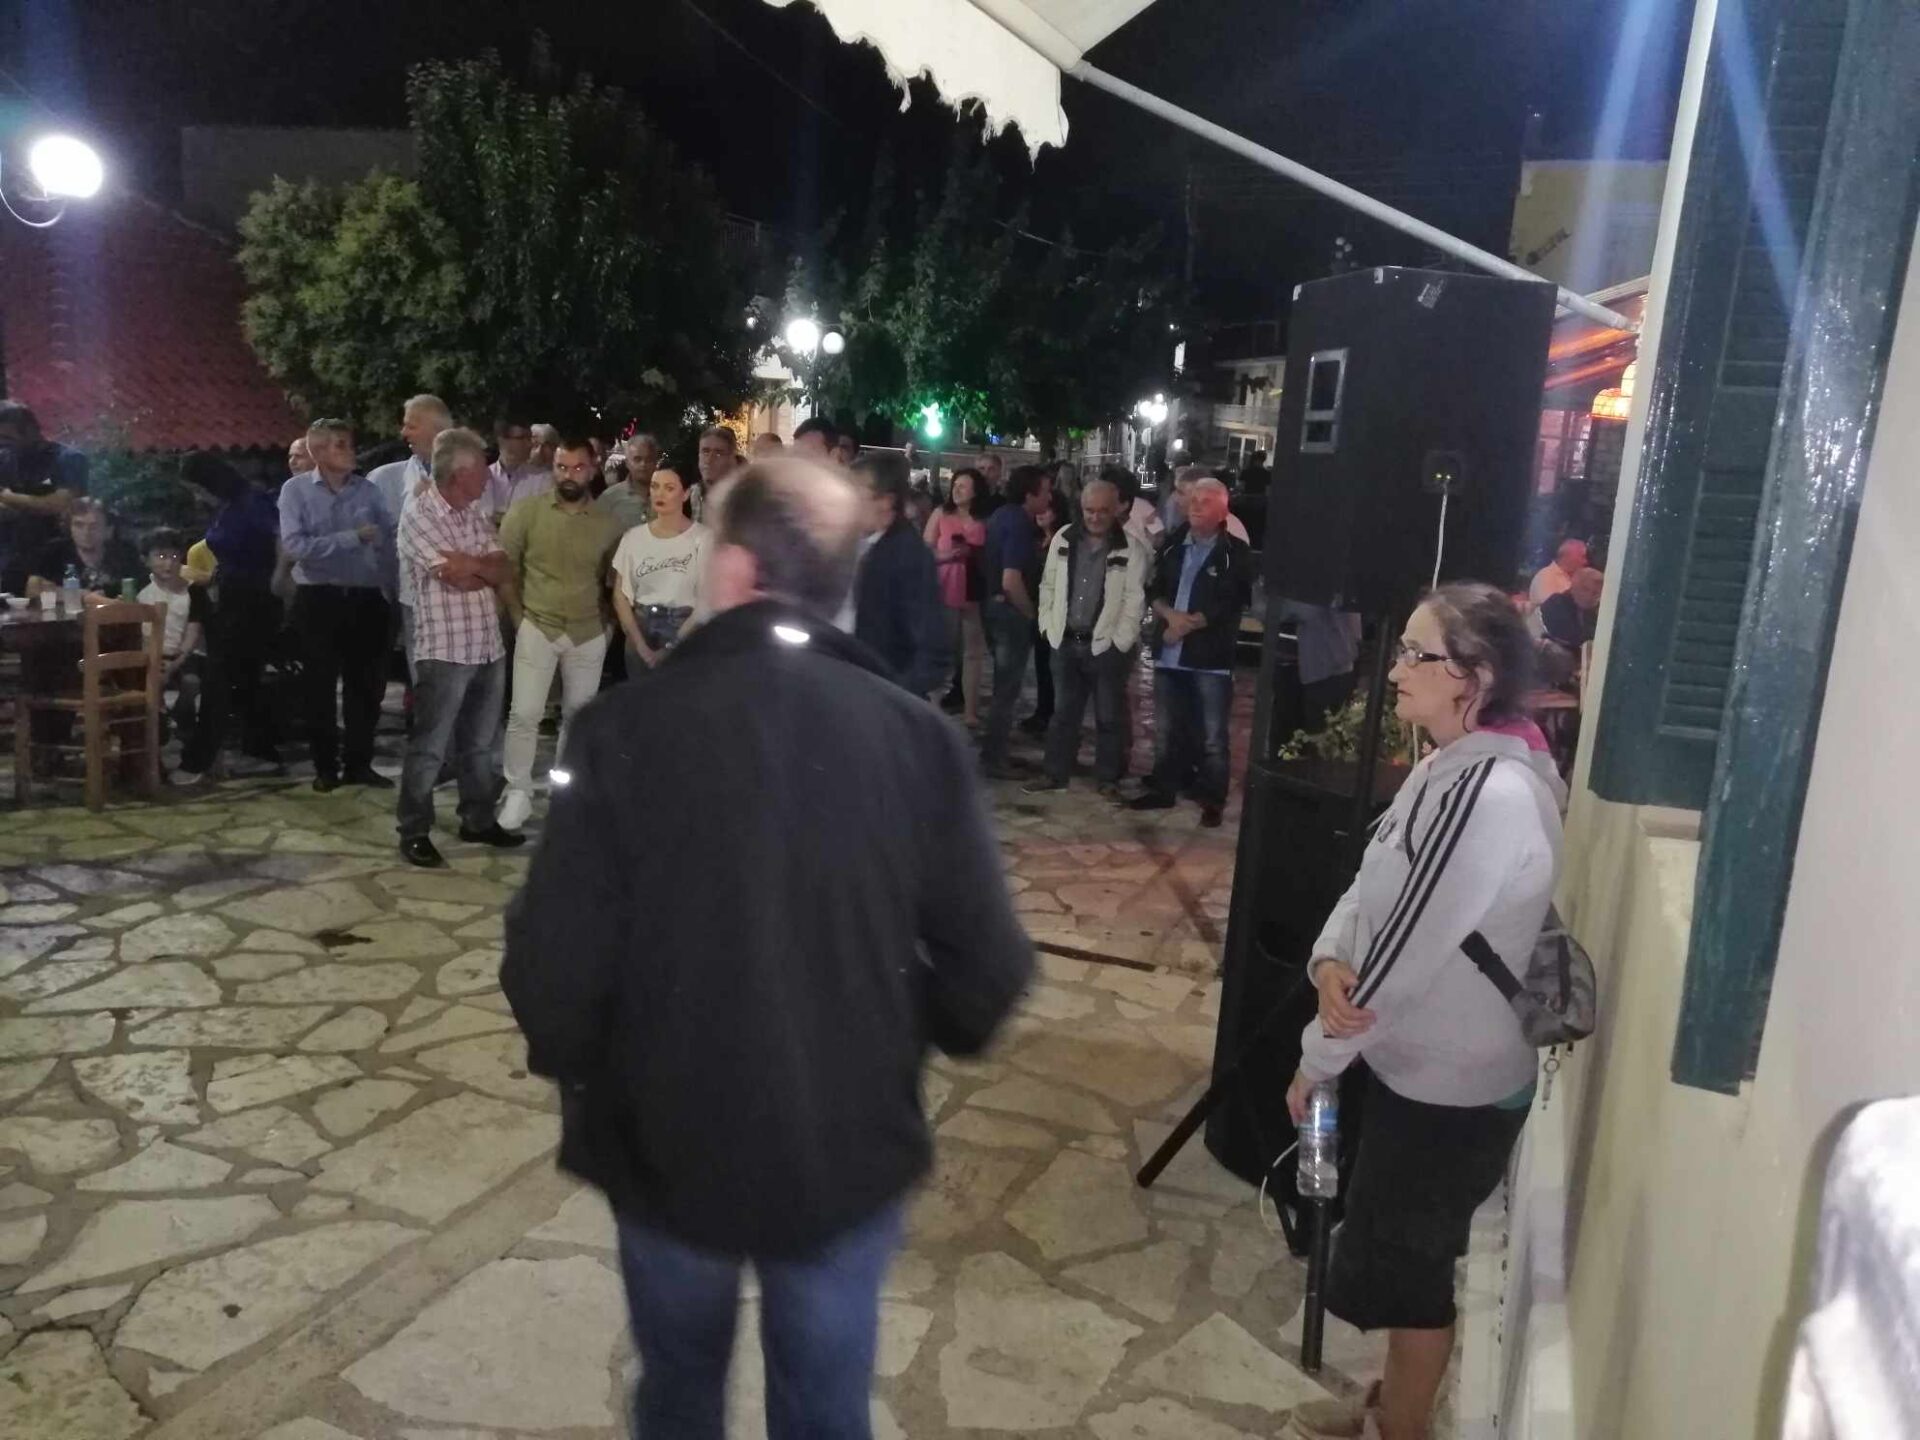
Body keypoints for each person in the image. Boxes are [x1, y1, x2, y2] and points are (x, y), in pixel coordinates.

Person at [502, 456, 1032, 1440]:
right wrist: (884, 1023)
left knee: (677, 1394)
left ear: (735, 566)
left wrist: (592, 1072)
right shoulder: (918, 740)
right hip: (842, 1145)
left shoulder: (622, 729)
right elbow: (988, 977)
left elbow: (550, 965)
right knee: (825, 1409)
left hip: (664, 1142)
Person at [1285, 582, 1562, 1440]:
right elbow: (1376, 880)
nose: (1395, 668)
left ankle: (1402, 1429)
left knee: (1412, 1273)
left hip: (1453, 1091)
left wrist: (1316, 1061)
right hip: (1421, 1070)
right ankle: (1391, 1407)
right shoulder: (1453, 763)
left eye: (1417, 654)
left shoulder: (1492, 795)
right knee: (1401, 1258)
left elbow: (1405, 952)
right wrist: (1329, 956)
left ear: (1474, 675)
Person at [395, 428, 525, 867]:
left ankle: (477, 819)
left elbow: (503, 569)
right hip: (445, 649)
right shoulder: (418, 515)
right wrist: (478, 569)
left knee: (480, 743)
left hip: (486, 644)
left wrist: (472, 565)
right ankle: (414, 829)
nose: (487, 478)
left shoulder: (472, 512)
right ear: (458, 474)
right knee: (431, 746)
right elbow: (454, 577)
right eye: (480, 471)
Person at [496, 437, 624, 833]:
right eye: (561, 467)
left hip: (588, 631)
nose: (569, 475)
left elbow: (616, 582)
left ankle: (563, 792)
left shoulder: (609, 524)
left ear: (593, 468)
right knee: (524, 714)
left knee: (576, 718)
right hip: (538, 625)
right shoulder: (526, 512)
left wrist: (607, 626)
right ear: (552, 468)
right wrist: (518, 617)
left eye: (578, 467)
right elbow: (506, 568)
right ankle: (517, 791)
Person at [1127, 477, 1254, 827]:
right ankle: (1164, 787)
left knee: (1212, 735)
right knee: (1167, 729)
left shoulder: (1234, 552)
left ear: (1223, 510)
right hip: (1170, 654)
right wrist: (1169, 617)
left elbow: (1230, 600)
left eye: (1205, 501)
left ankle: (1212, 798)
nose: (1195, 506)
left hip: (1209, 657)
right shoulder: (1173, 543)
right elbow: (1154, 587)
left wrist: (1185, 626)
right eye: (1193, 499)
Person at [279, 417, 396, 794]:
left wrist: (388, 582)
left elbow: (389, 538)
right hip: (319, 599)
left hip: (365, 598)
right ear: (318, 451)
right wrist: (350, 538)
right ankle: (325, 767)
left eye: (349, 443)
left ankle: (359, 764)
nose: (350, 451)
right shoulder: (296, 491)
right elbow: (295, 546)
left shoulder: (368, 491)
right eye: (340, 444)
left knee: (367, 688)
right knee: (319, 688)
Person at [1024, 477, 1146, 798]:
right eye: (1089, 510)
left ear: (1116, 509)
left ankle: (1108, 778)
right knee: (1063, 714)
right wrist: (1048, 624)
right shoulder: (1064, 539)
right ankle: (1055, 773)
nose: (1095, 517)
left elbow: (1134, 600)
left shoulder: (1131, 548)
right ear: (1081, 508)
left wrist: (1120, 641)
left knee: (1109, 716)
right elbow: (1048, 584)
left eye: (1103, 510)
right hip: (1065, 642)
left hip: (1106, 646)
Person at [175, 453, 285, 784]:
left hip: (254, 601)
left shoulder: (253, 503)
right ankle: (260, 751)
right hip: (233, 597)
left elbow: (280, 541)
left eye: (198, 489)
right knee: (245, 680)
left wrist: (278, 582)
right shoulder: (230, 507)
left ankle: (198, 760)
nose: (198, 497)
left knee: (218, 679)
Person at [850, 451, 949, 697]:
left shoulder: (909, 556)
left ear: (885, 501)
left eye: (857, 494)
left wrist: (891, 696)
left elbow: (932, 651)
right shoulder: (852, 545)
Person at [369, 395, 452, 677]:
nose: (403, 433)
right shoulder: (382, 480)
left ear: (437, 431)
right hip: (405, 597)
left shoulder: (473, 476)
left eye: (411, 426)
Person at [978, 465, 1052, 778]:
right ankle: (994, 758)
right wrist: (1031, 614)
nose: (1050, 497)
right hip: (1010, 614)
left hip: (993, 608)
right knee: (1006, 690)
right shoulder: (1019, 523)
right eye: (1045, 491)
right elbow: (1011, 580)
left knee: (1002, 687)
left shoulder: (1001, 516)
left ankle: (994, 752)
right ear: (1029, 493)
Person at [611, 465, 707, 675]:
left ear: (685, 494)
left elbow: (706, 600)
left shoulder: (703, 538)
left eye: (669, 488)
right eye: (655, 486)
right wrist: (639, 645)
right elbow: (621, 595)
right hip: (641, 627)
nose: (660, 494)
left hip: (683, 627)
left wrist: (673, 645)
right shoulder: (633, 538)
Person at [0, 400, 87, 593]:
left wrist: (8, 497)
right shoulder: (4, 459)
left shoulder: (68, 458)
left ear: (31, 431)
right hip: (9, 558)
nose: (2, 443)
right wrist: (34, 506)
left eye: (7, 437)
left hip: (56, 557)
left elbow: (62, 504)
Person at [137, 528, 209, 754]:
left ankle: (183, 713)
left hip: (185, 654)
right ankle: (159, 721)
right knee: (151, 681)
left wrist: (175, 662)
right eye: (160, 556)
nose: (168, 563)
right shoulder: (140, 590)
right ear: (146, 560)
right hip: (151, 654)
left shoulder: (193, 592)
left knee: (191, 681)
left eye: (174, 556)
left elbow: (193, 633)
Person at [925, 467, 988, 725]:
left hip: (973, 589)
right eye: (955, 485)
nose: (957, 490)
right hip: (945, 587)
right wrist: (947, 555)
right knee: (944, 648)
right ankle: (932, 706)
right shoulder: (941, 513)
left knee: (973, 652)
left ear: (976, 491)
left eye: (963, 486)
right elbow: (925, 548)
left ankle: (970, 710)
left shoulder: (983, 520)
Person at [27, 497, 144, 597]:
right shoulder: (54, 552)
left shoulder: (125, 552)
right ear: (69, 528)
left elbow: (142, 586)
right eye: (79, 525)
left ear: (109, 530)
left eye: (94, 526)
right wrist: (84, 595)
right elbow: (32, 589)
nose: (86, 532)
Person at [1536, 566, 1603, 688]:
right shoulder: (1556, 604)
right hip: (1548, 671)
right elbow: (1571, 635)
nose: (1590, 596)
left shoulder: (1592, 614)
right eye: (1586, 589)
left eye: (1596, 593)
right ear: (1574, 586)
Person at [490, 415, 553, 515]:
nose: (530, 444)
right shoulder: (483, 478)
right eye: (522, 438)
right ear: (502, 441)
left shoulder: (543, 479)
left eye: (530, 438)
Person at [595, 433, 659, 533]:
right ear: (627, 463)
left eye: (649, 459)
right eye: (637, 459)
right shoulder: (610, 498)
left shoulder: (669, 496)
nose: (643, 464)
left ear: (655, 463)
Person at [693, 424, 739, 523]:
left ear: (731, 459)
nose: (709, 460)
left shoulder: (743, 500)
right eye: (705, 451)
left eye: (718, 453)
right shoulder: (686, 496)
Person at [1529, 538, 1589, 608]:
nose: (1585, 561)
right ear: (1568, 557)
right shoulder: (1545, 576)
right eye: (1582, 557)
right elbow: (1549, 608)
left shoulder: (1577, 579)